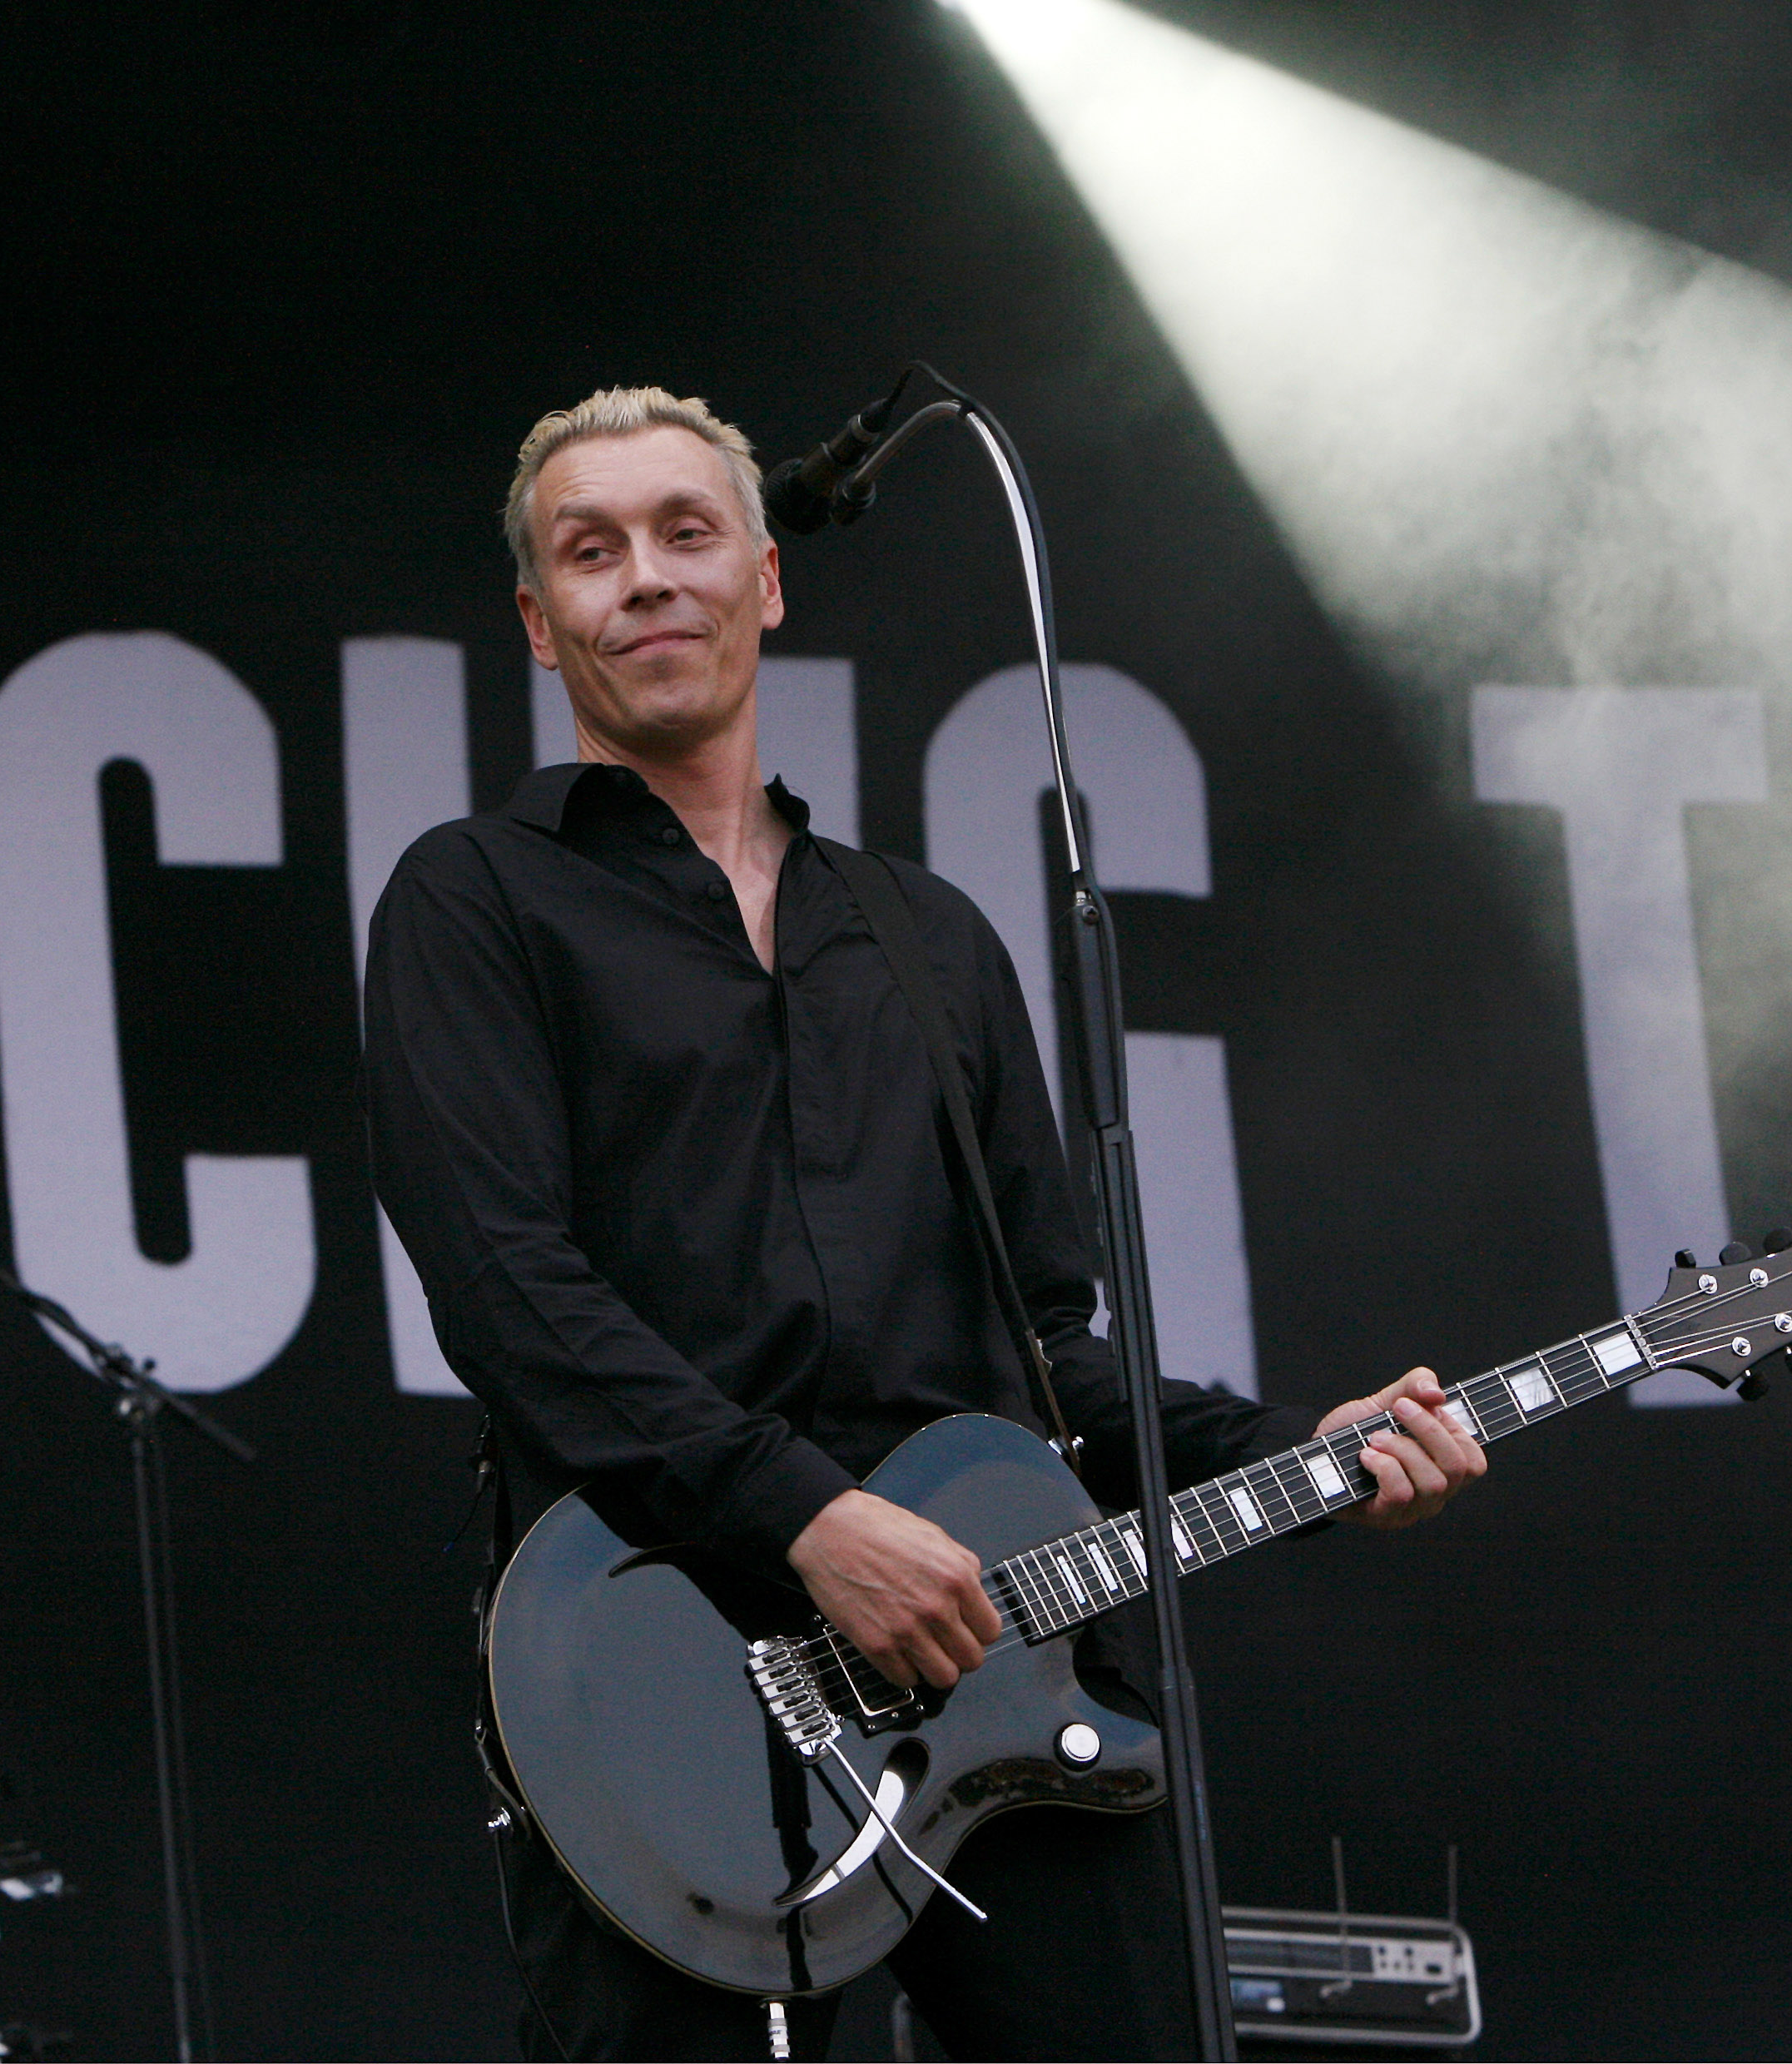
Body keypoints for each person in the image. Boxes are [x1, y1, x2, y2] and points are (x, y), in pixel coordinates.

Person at [364, 387, 1487, 2061]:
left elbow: (1054, 1365)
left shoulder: (925, 936)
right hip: (670, 1675)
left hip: (1003, 1683)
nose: (645, 580)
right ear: (541, 625)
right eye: (590, 554)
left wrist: (1306, 1454)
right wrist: (805, 1515)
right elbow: (508, 1292)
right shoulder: (478, 896)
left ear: (767, 578)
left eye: (686, 534)